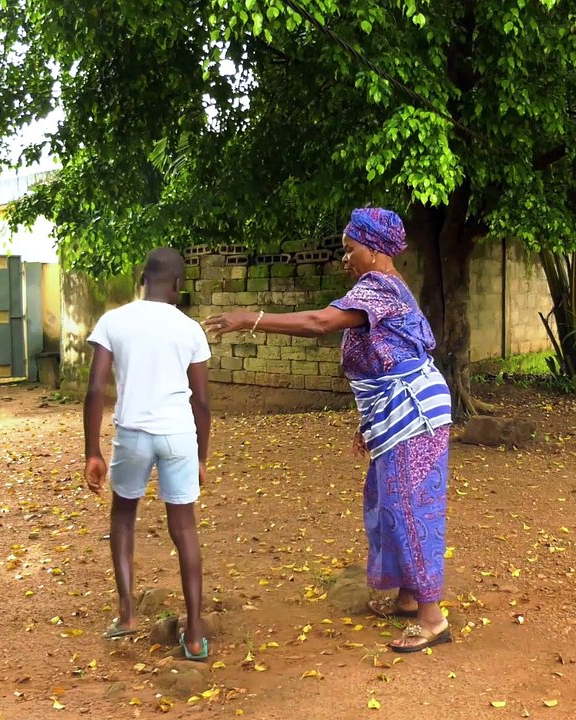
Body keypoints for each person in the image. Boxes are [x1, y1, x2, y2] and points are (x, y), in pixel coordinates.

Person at [205, 207, 453, 653]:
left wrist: (252, 319)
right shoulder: (378, 288)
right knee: (385, 502)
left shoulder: (378, 288)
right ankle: (408, 596)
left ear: (375, 249)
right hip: (395, 411)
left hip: (413, 412)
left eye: (349, 249)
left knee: (409, 508)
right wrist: (368, 423)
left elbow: (321, 323)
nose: (345, 258)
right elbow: (380, 363)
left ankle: (432, 619)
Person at [83, 247, 212, 660]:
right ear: (177, 284)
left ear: (142, 278)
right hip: (178, 436)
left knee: (123, 515)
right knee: (185, 528)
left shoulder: (113, 322)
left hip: (133, 435)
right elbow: (203, 402)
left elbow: (95, 389)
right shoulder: (190, 328)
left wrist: (92, 451)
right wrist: (203, 458)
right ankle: (193, 634)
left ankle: (126, 615)